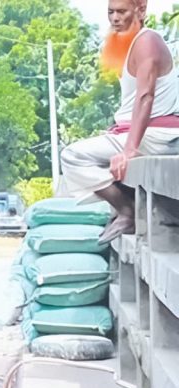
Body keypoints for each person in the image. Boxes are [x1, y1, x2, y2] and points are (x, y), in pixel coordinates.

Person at [61, 0, 179, 244]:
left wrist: (129, 149)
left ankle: (128, 211)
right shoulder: (131, 45)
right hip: (144, 133)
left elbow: (146, 95)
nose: (115, 18)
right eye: (110, 12)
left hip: (157, 136)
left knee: (73, 156)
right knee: (97, 163)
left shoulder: (147, 42)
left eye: (122, 12)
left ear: (141, 10)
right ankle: (125, 208)